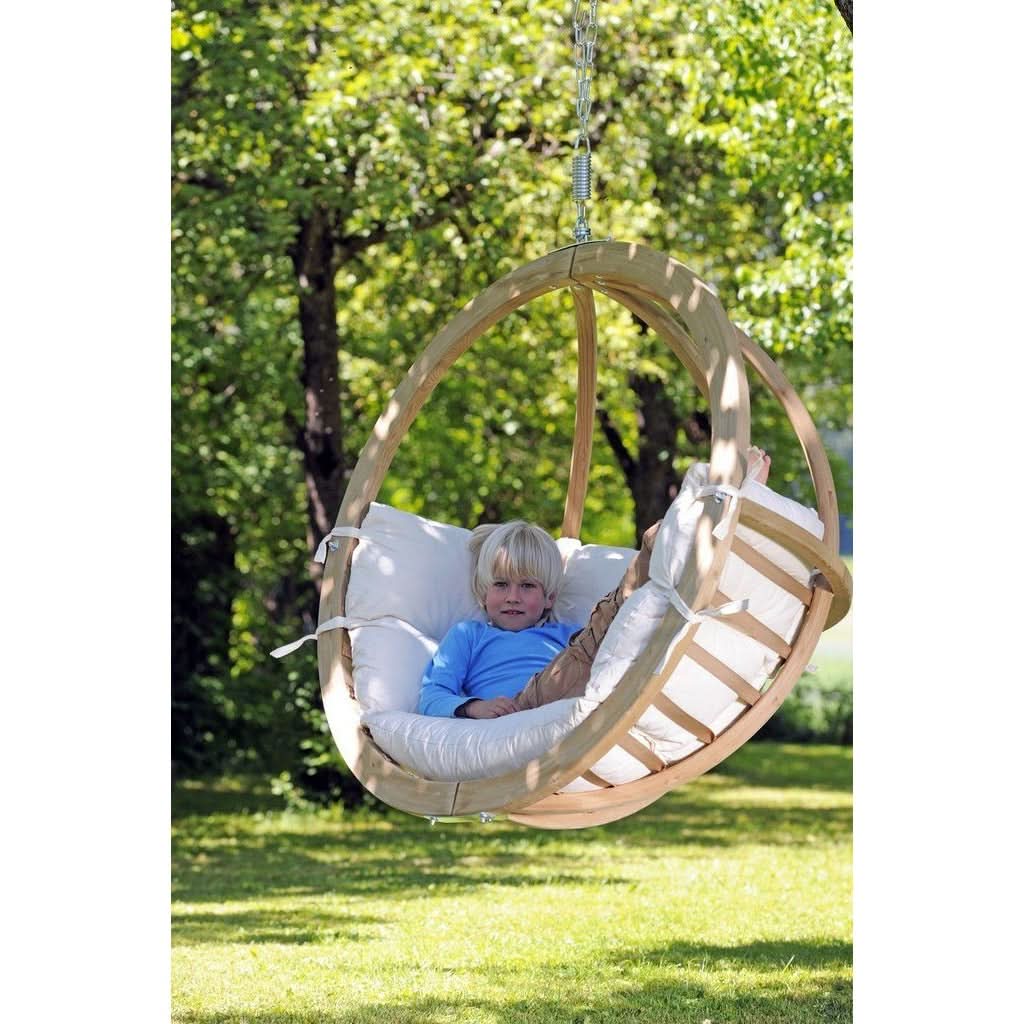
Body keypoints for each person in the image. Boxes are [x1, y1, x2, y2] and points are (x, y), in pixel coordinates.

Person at [417, 447, 771, 720]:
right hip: (527, 704)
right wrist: (475, 708)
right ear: (483, 593)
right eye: (501, 585)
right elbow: (432, 696)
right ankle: (688, 525)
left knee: (629, 625)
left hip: (579, 690)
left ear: (549, 597)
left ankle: (715, 525)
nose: (512, 597)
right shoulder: (469, 635)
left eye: (527, 586)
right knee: (615, 616)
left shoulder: (561, 634)